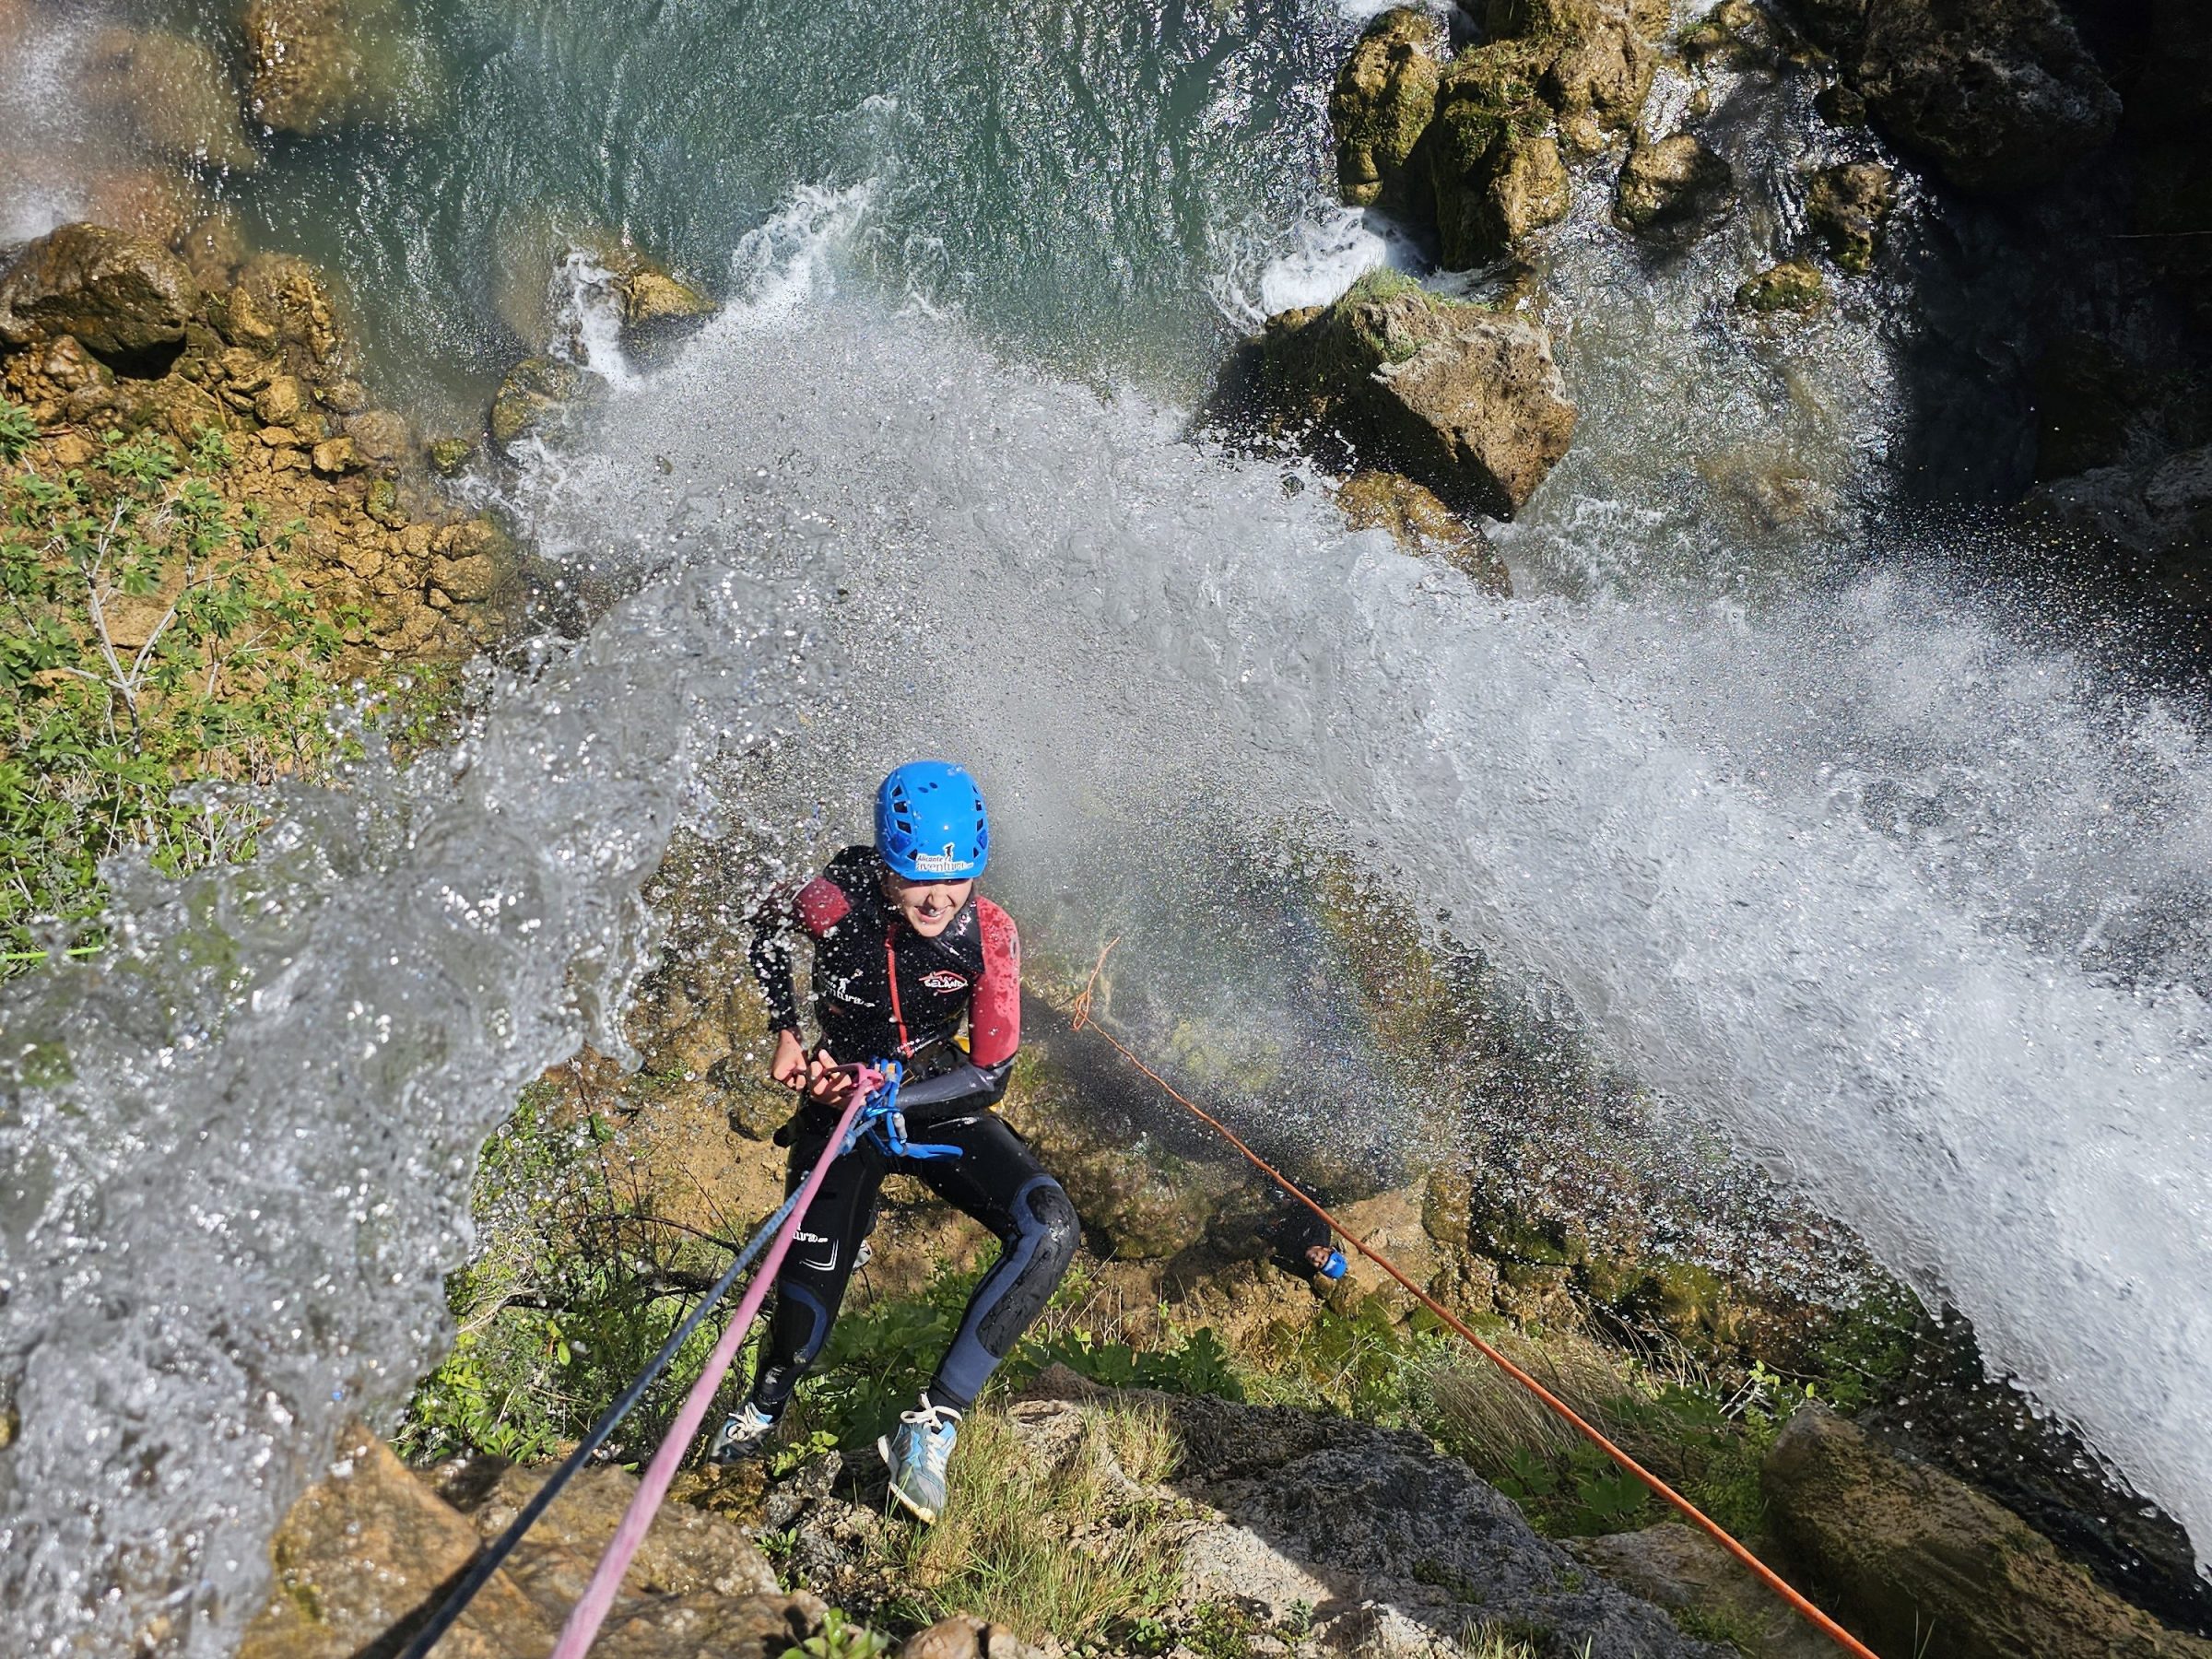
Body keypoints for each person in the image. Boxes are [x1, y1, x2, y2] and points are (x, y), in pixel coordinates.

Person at [707, 760, 1079, 1524]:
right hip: (841, 1103)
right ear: (886, 863)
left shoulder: (991, 934)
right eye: (916, 879)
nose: (938, 898)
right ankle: (764, 1409)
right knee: (804, 1316)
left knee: (1049, 1227)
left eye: (958, 879)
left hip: (931, 1099)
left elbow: (992, 1074)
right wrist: (785, 1030)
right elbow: (763, 926)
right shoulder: (833, 901)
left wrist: (895, 1097)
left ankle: (933, 1424)